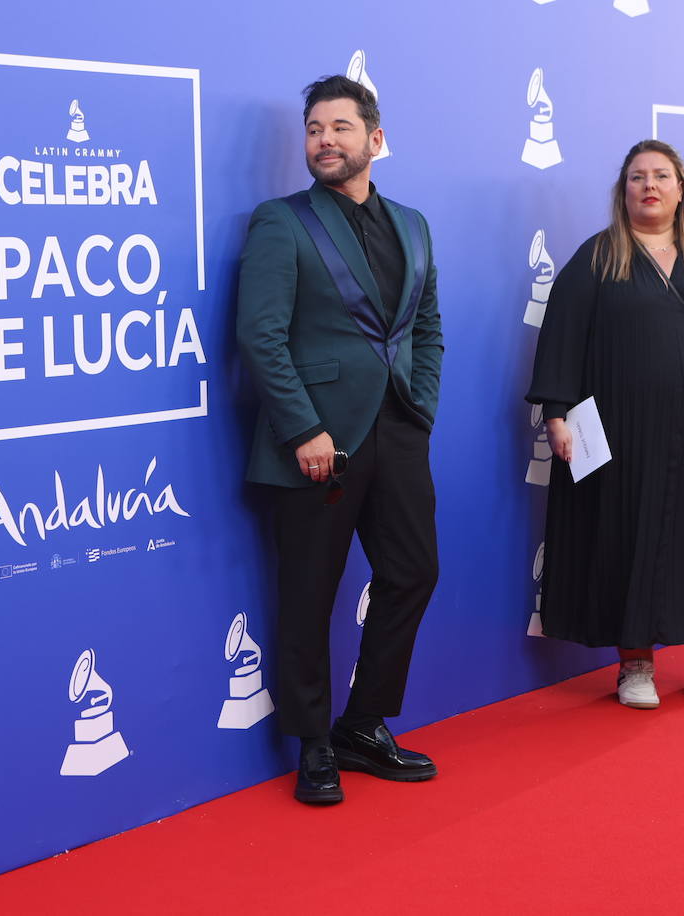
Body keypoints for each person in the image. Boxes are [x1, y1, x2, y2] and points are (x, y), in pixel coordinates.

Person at [236, 75, 444, 804]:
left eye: (340, 128)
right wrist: (303, 428)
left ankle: (363, 724)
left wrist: (421, 405)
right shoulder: (281, 221)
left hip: (398, 430)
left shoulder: (414, 225)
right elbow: (260, 336)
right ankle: (314, 742)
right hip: (317, 443)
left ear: (375, 140)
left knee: (414, 572)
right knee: (309, 594)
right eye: (315, 129)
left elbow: (426, 327)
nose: (325, 140)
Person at [525, 139, 684, 709]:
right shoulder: (598, 258)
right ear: (624, 191)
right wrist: (557, 415)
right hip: (621, 431)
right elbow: (560, 341)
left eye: (661, 175)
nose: (649, 185)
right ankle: (635, 664)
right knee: (627, 538)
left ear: (681, 188)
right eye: (637, 176)